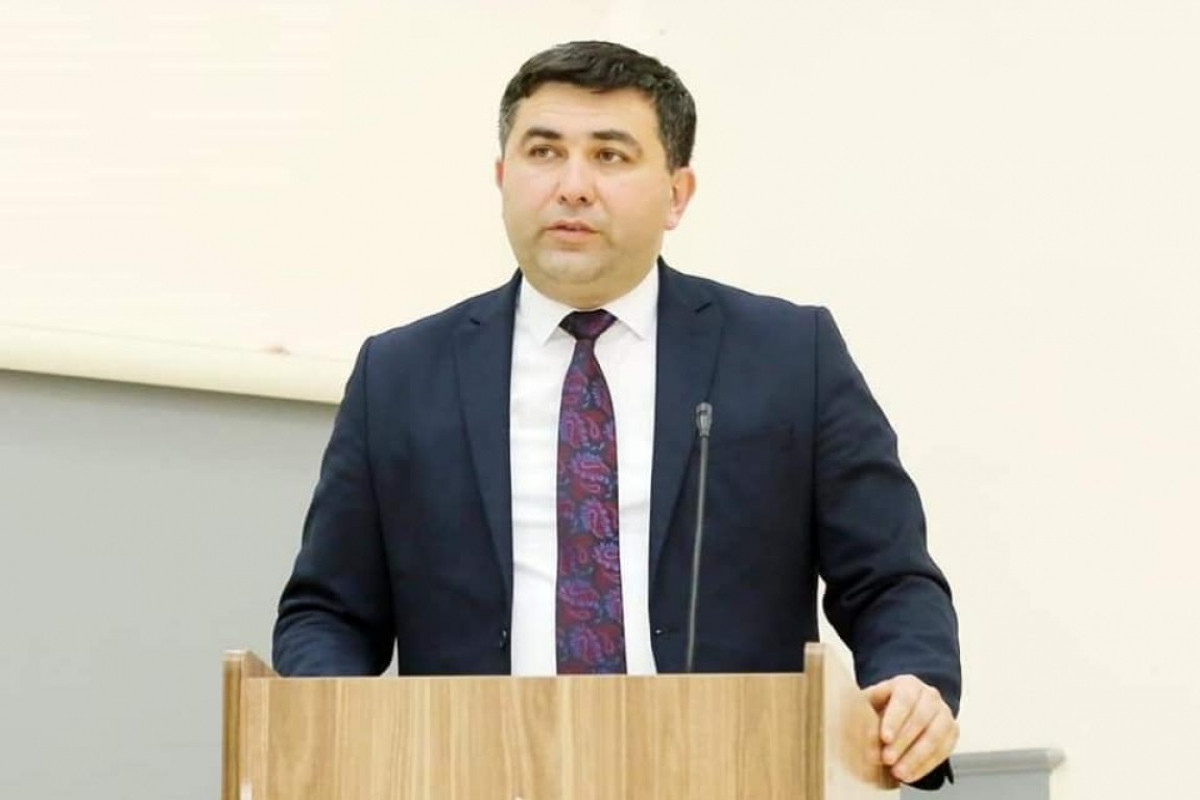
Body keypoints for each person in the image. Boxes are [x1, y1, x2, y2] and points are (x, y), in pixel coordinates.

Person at [273, 40, 961, 788]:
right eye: (544, 152)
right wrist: (335, 734)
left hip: (729, 773)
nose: (572, 187)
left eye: (610, 156)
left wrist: (912, 682)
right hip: (473, 774)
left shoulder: (790, 355)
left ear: (677, 194)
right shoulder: (401, 374)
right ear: (502, 178)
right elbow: (328, 612)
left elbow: (889, 579)